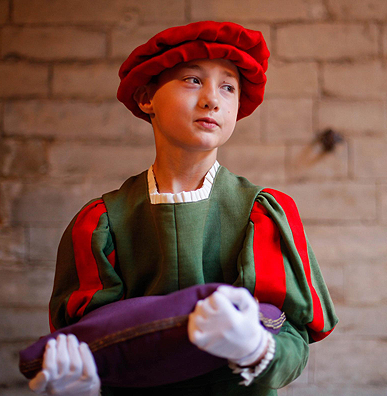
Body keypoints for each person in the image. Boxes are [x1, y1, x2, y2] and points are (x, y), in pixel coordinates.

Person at [29, 21, 338, 396]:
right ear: (146, 98)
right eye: (193, 80)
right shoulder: (100, 222)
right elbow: (91, 338)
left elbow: (293, 339)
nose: (213, 99)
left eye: (228, 86)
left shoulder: (262, 213)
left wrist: (258, 348)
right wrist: (84, 384)